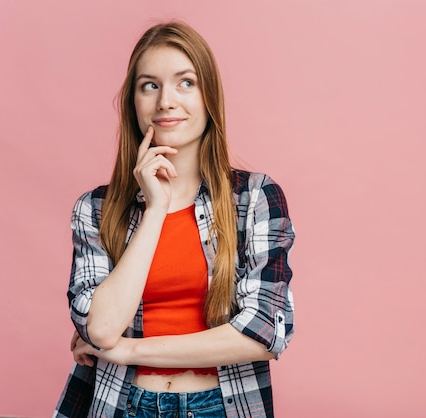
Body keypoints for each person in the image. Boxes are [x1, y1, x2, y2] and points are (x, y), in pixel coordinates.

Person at [53, 21, 295, 418]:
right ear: (134, 100)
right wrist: (155, 210)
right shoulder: (94, 209)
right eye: (150, 85)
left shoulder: (255, 198)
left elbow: (262, 330)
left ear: (208, 96)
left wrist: (128, 350)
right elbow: (101, 330)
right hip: (123, 406)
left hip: (223, 405)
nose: (166, 100)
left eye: (186, 82)